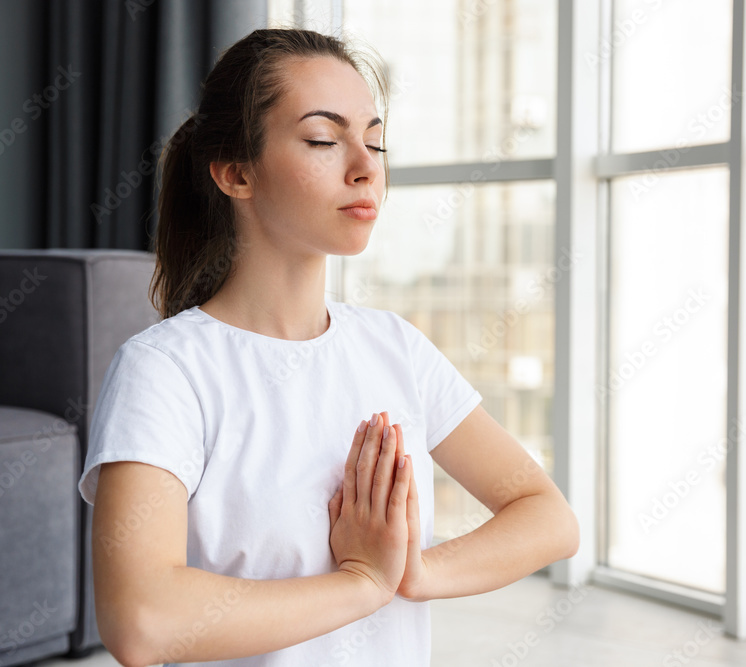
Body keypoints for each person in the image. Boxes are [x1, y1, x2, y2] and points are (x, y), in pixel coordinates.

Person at [78, 27, 579, 667]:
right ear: (236, 173)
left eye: (374, 140)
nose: (366, 165)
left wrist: (414, 573)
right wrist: (360, 584)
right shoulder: (165, 371)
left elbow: (548, 518)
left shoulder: (395, 347)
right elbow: (141, 621)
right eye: (323, 139)